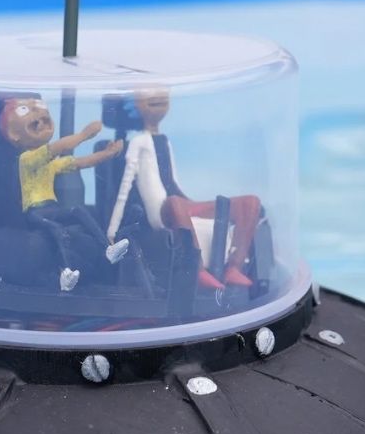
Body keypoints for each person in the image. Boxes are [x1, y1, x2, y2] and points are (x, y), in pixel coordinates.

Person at [106, 87, 261, 292]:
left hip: (178, 202)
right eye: (148, 94)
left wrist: (190, 205)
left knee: (249, 203)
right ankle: (196, 269)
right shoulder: (138, 142)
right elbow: (125, 188)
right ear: (135, 104)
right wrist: (112, 229)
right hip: (161, 211)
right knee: (175, 203)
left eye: (162, 93)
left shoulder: (165, 140)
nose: (158, 96)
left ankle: (234, 267)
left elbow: (173, 180)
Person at [0, 98, 128, 293]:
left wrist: (108, 154)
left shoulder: (50, 165)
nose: (39, 116)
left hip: (51, 207)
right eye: (26, 110)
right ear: (13, 135)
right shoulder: (26, 159)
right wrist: (84, 135)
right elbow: (56, 148)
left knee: (78, 212)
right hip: (35, 212)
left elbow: (81, 162)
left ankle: (108, 249)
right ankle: (65, 274)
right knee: (58, 230)